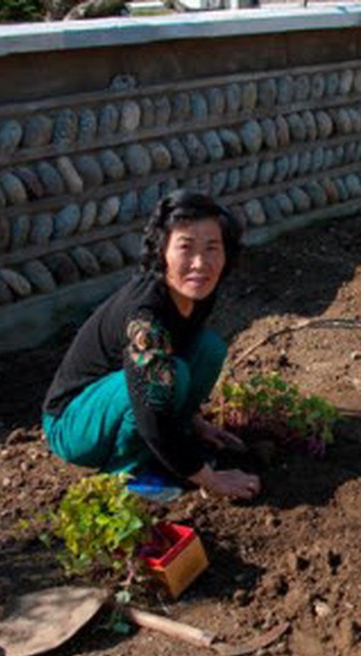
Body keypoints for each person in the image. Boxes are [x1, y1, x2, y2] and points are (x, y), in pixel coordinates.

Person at [42, 190, 260, 500]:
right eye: (186, 248)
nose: (201, 263)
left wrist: (194, 423)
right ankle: (129, 471)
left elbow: (178, 355)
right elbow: (151, 409)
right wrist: (210, 479)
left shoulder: (196, 294)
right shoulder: (144, 315)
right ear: (162, 253)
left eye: (213, 248)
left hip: (124, 397)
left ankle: (171, 445)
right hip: (74, 423)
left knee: (208, 349)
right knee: (168, 376)